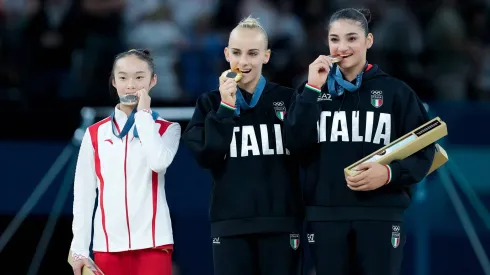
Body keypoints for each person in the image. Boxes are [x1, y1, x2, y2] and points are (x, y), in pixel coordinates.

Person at [284, 8, 436, 275]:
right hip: (325, 216)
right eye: (334, 39)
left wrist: (389, 173)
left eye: (352, 38)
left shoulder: (396, 93)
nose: (342, 47)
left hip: (381, 214)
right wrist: (310, 90)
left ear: (369, 41)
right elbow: (294, 144)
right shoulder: (310, 90)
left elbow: (426, 149)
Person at [182, 16, 303, 275]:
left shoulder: (288, 98)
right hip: (230, 223)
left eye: (252, 53)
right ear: (226, 54)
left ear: (266, 56)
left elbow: (307, 150)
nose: (243, 61)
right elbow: (206, 156)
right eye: (236, 52)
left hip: (281, 222)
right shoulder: (210, 104)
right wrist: (226, 108)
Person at [70, 49, 181, 275]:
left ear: (153, 80)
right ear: (113, 81)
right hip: (107, 247)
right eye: (123, 77)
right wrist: (79, 250)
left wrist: (143, 115)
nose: (130, 85)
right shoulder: (94, 134)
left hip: (153, 244)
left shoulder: (167, 129)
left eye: (139, 77)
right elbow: (83, 195)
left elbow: (158, 162)